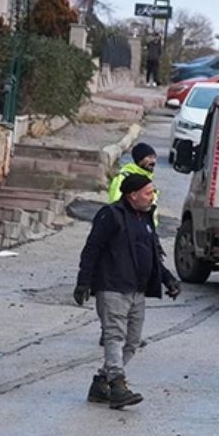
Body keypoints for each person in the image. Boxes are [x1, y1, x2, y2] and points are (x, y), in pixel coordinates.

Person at [75, 173, 180, 409]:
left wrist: (168, 280)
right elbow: (92, 249)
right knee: (114, 336)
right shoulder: (111, 215)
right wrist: (84, 282)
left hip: (137, 291)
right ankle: (118, 385)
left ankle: (101, 383)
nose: (152, 197)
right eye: (148, 192)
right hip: (112, 287)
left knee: (132, 342)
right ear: (132, 195)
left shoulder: (145, 218)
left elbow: (154, 256)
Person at [108, 143, 160, 217]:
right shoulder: (124, 177)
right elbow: (115, 203)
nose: (153, 161)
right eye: (149, 157)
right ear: (139, 159)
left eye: (154, 157)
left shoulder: (148, 178)